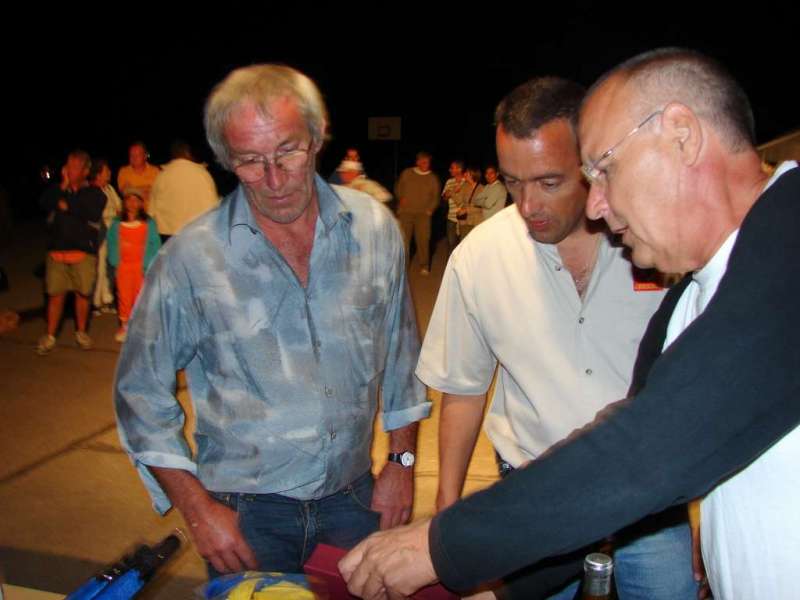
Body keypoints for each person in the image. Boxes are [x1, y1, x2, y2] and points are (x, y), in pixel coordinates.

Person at [340, 47, 800, 600]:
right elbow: (622, 468)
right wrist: (506, 588)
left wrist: (441, 546)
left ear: (681, 134)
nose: (597, 204)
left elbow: (643, 453)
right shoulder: (698, 295)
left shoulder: (790, 249)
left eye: (602, 169)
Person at [114, 64, 430, 577]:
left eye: (288, 150)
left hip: (356, 500)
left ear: (318, 136)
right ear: (225, 160)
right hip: (245, 515)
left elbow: (401, 357)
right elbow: (139, 396)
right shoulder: (192, 258)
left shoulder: (373, 230)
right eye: (250, 161)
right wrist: (198, 510)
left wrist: (402, 463)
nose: (275, 178)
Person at [418, 76, 692, 600]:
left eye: (548, 182)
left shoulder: (658, 242)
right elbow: (464, 390)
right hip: (534, 496)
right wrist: (447, 513)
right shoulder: (480, 258)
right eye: (513, 182)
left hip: (651, 499)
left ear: (592, 164)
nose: (527, 205)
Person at [36, 150, 106, 354]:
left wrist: (67, 205)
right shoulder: (58, 189)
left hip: (83, 253)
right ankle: (49, 335)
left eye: (76, 167)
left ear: (86, 171)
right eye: (69, 165)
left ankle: (81, 332)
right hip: (57, 253)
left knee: (82, 294)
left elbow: (91, 211)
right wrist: (64, 187)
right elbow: (45, 202)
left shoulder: (94, 193)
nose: (70, 170)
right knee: (55, 295)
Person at [106, 190, 160, 342]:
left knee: (141, 297)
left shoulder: (148, 222)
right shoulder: (117, 222)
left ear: (141, 203)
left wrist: (150, 264)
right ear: (125, 202)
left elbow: (155, 244)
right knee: (124, 297)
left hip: (141, 267)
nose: (132, 203)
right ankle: (125, 326)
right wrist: (115, 261)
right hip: (124, 266)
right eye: (129, 200)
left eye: (136, 200)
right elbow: (111, 242)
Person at [147, 140, 220, 243]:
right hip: (194, 232)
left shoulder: (162, 176)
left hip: (168, 233)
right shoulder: (202, 174)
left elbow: (152, 210)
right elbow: (213, 206)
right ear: (187, 153)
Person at [395, 152, 441, 275]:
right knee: (404, 239)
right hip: (406, 212)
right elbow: (398, 187)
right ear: (418, 162)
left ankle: (424, 265)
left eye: (428, 162)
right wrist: (401, 197)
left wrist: (430, 210)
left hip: (423, 215)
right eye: (423, 161)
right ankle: (403, 265)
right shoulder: (407, 173)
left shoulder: (432, 178)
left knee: (423, 240)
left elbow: (436, 197)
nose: (426, 164)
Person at [89, 158, 122, 314]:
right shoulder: (93, 191)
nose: (109, 173)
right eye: (106, 171)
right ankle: (96, 302)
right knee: (99, 267)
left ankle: (107, 300)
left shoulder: (109, 189)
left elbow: (119, 207)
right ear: (98, 174)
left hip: (113, 232)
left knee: (110, 266)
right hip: (101, 233)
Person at [117, 141, 160, 210]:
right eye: (131, 155)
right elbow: (126, 193)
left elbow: (159, 193)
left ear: (145, 156)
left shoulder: (155, 171)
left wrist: (133, 189)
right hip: (132, 214)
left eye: (137, 155)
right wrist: (147, 189)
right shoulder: (124, 171)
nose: (134, 158)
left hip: (152, 212)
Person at [442, 160, 465, 253]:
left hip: (464, 218)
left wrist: (453, 193)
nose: (449, 170)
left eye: (452, 168)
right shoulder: (449, 181)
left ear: (459, 169)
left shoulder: (466, 180)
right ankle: (450, 266)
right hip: (451, 217)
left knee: (463, 244)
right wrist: (446, 195)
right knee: (451, 244)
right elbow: (444, 197)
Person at [453, 166, 482, 240]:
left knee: (474, 243)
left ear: (473, 175)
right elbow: (458, 201)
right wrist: (454, 192)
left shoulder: (481, 188)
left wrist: (466, 210)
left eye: (467, 173)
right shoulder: (465, 186)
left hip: (476, 221)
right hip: (464, 221)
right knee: (463, 242)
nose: (464, 174)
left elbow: (480, 207)